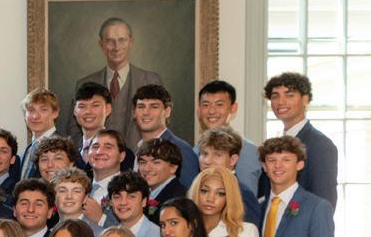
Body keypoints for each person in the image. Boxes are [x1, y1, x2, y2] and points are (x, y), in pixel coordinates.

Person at [62, 17, 164, 147]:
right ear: (101, 45)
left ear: (131, 42)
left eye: (122, 40)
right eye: (110, 41)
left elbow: (160, 127)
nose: (116, 47)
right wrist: (89, 153)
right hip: (98, 157)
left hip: (140, 157)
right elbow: (73, 131)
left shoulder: (151, 80)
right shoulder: (84, 83)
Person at [266, 71, 338, 206]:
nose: (280, 102)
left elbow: (324, 204)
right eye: (275, 96)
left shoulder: (320, 145)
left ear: (305, 99)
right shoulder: (274, 144)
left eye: (289, 95)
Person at [196, 80, 263, 220]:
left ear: (233, 108)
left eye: (219, 104)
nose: (211, 111)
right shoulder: (196, 149)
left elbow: (242, 203)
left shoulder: (247, 151)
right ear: (199, 109)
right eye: (206, 105)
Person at [132, 84, 200, 187]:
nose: (146, 112)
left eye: (154, 107)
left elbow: (190, 192)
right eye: (141, 106)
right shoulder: (135, 151)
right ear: (134, 112)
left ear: (167, 112)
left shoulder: (181, 150)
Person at [105, 171, 161, 237]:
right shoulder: (108, 234)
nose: (123, 202)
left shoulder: (155, 235)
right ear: (111, 202)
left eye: (131, 196)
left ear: (144, 201)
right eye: (117, 197)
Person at [135, 138, 188, 221]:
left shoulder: (180, 199)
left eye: (156, 162)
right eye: (143, 162)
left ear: (173, 168)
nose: (147, 169)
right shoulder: (143, 194)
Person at [17, 89, 62, 179]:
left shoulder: (63, 148)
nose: (35, 116)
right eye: (31, 110)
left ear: (55, 113)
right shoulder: (26, 151)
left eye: (43, 110)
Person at [69, 81, 115, 168]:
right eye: (82, 106)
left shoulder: (117, 151)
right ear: (75, 111)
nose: (88, 111)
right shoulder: (68, 152)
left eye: (95, 105)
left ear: (108, 109)